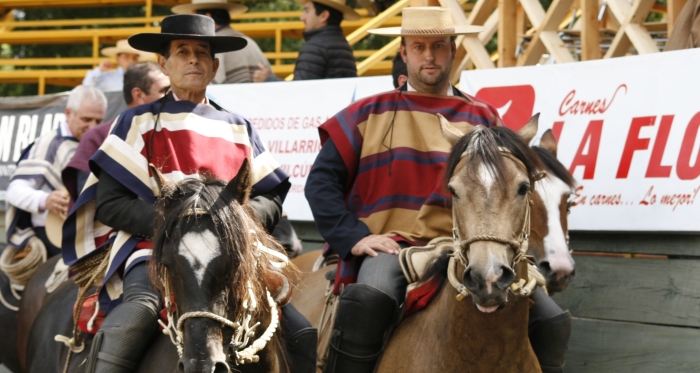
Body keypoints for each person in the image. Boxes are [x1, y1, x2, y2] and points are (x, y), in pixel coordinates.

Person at [304, 7, 572, 373]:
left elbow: (513, 191)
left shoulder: (485, 117)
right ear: (404, 53)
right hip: (393, 246)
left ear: (454, 50)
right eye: (418, 47)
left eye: (438, 46)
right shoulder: (366, 114)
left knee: (553, 321)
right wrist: (354, 238)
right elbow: (320, 183)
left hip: (475, 245)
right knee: (369, 299)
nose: (429, 56)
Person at [62, 14, 316, 373]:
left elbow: (270, 197)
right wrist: (179, 228)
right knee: (135, 317)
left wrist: (228, 227)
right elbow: (111, 203)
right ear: (164, 63)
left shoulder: (239, 127)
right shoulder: (136, 123)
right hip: (155, 249)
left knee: (301, 331)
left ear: (214, 66)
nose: (193, 60)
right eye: (183, 52)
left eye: (202, 53)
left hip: (232, 251)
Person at [5, 85, 106, 258]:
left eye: (98, 121)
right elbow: (14, 191)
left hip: (88, 233)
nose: (92, 127)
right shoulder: (48, 144)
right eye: (86, 119)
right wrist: (45, 200)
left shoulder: (101, 144)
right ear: (68, 113)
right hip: (51, 235)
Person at [63, 62, 170, 202]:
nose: (172, 97)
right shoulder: (98, 137)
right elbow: (90, 201)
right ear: (138, 95)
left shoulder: (171, 133)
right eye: (164, 91)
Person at [254, 0, 360, 82]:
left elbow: (301, 92)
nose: (302, 17)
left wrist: (267, 80)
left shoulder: (316, 46)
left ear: (324, 16)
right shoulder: (343, 45)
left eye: (307, 11)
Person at [171, 0, 273, 84]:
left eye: (195, 17)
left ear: (207, 17)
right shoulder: (249, 41)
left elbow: (208, 87)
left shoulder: (216, 45)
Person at [82, 39, 152, 92]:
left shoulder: (143, 78)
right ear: (117, 58)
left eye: (134, 57)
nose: (131, 61)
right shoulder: (107, 77)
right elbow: (87, 88)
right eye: (126, 56)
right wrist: (99, 70)